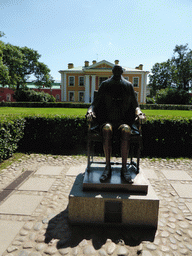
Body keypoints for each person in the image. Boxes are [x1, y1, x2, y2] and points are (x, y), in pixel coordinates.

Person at [86, 65, 146, 183]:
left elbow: (136, 105)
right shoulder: (105, 85)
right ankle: (107, 167)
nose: (118, 72)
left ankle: (124, 169)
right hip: (107, 121)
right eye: (116, 70)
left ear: (122, 72)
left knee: (126, 130)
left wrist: (139, 113)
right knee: (107, 129)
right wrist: (90, 111)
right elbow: (94, 104)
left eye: (120, 70)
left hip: (123, 122)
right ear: (113, 71)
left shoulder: (128, 85)